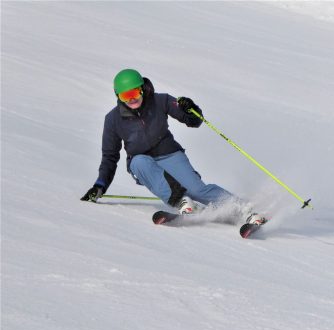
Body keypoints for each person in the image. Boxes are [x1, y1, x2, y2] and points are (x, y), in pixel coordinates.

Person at [81, 68, 265, 225]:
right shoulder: (113, 120)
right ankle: (180, 201)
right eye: (125, 95)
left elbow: (194, 121)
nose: (132, 99)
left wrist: (190, 108)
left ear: (142, 89)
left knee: (197, 189)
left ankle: (244, 210)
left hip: (170, 154)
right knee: (138, 162)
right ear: (118, 96)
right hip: (143, 163)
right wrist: (100, 186)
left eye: (135, 92)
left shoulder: (161, 101)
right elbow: (110, 157)